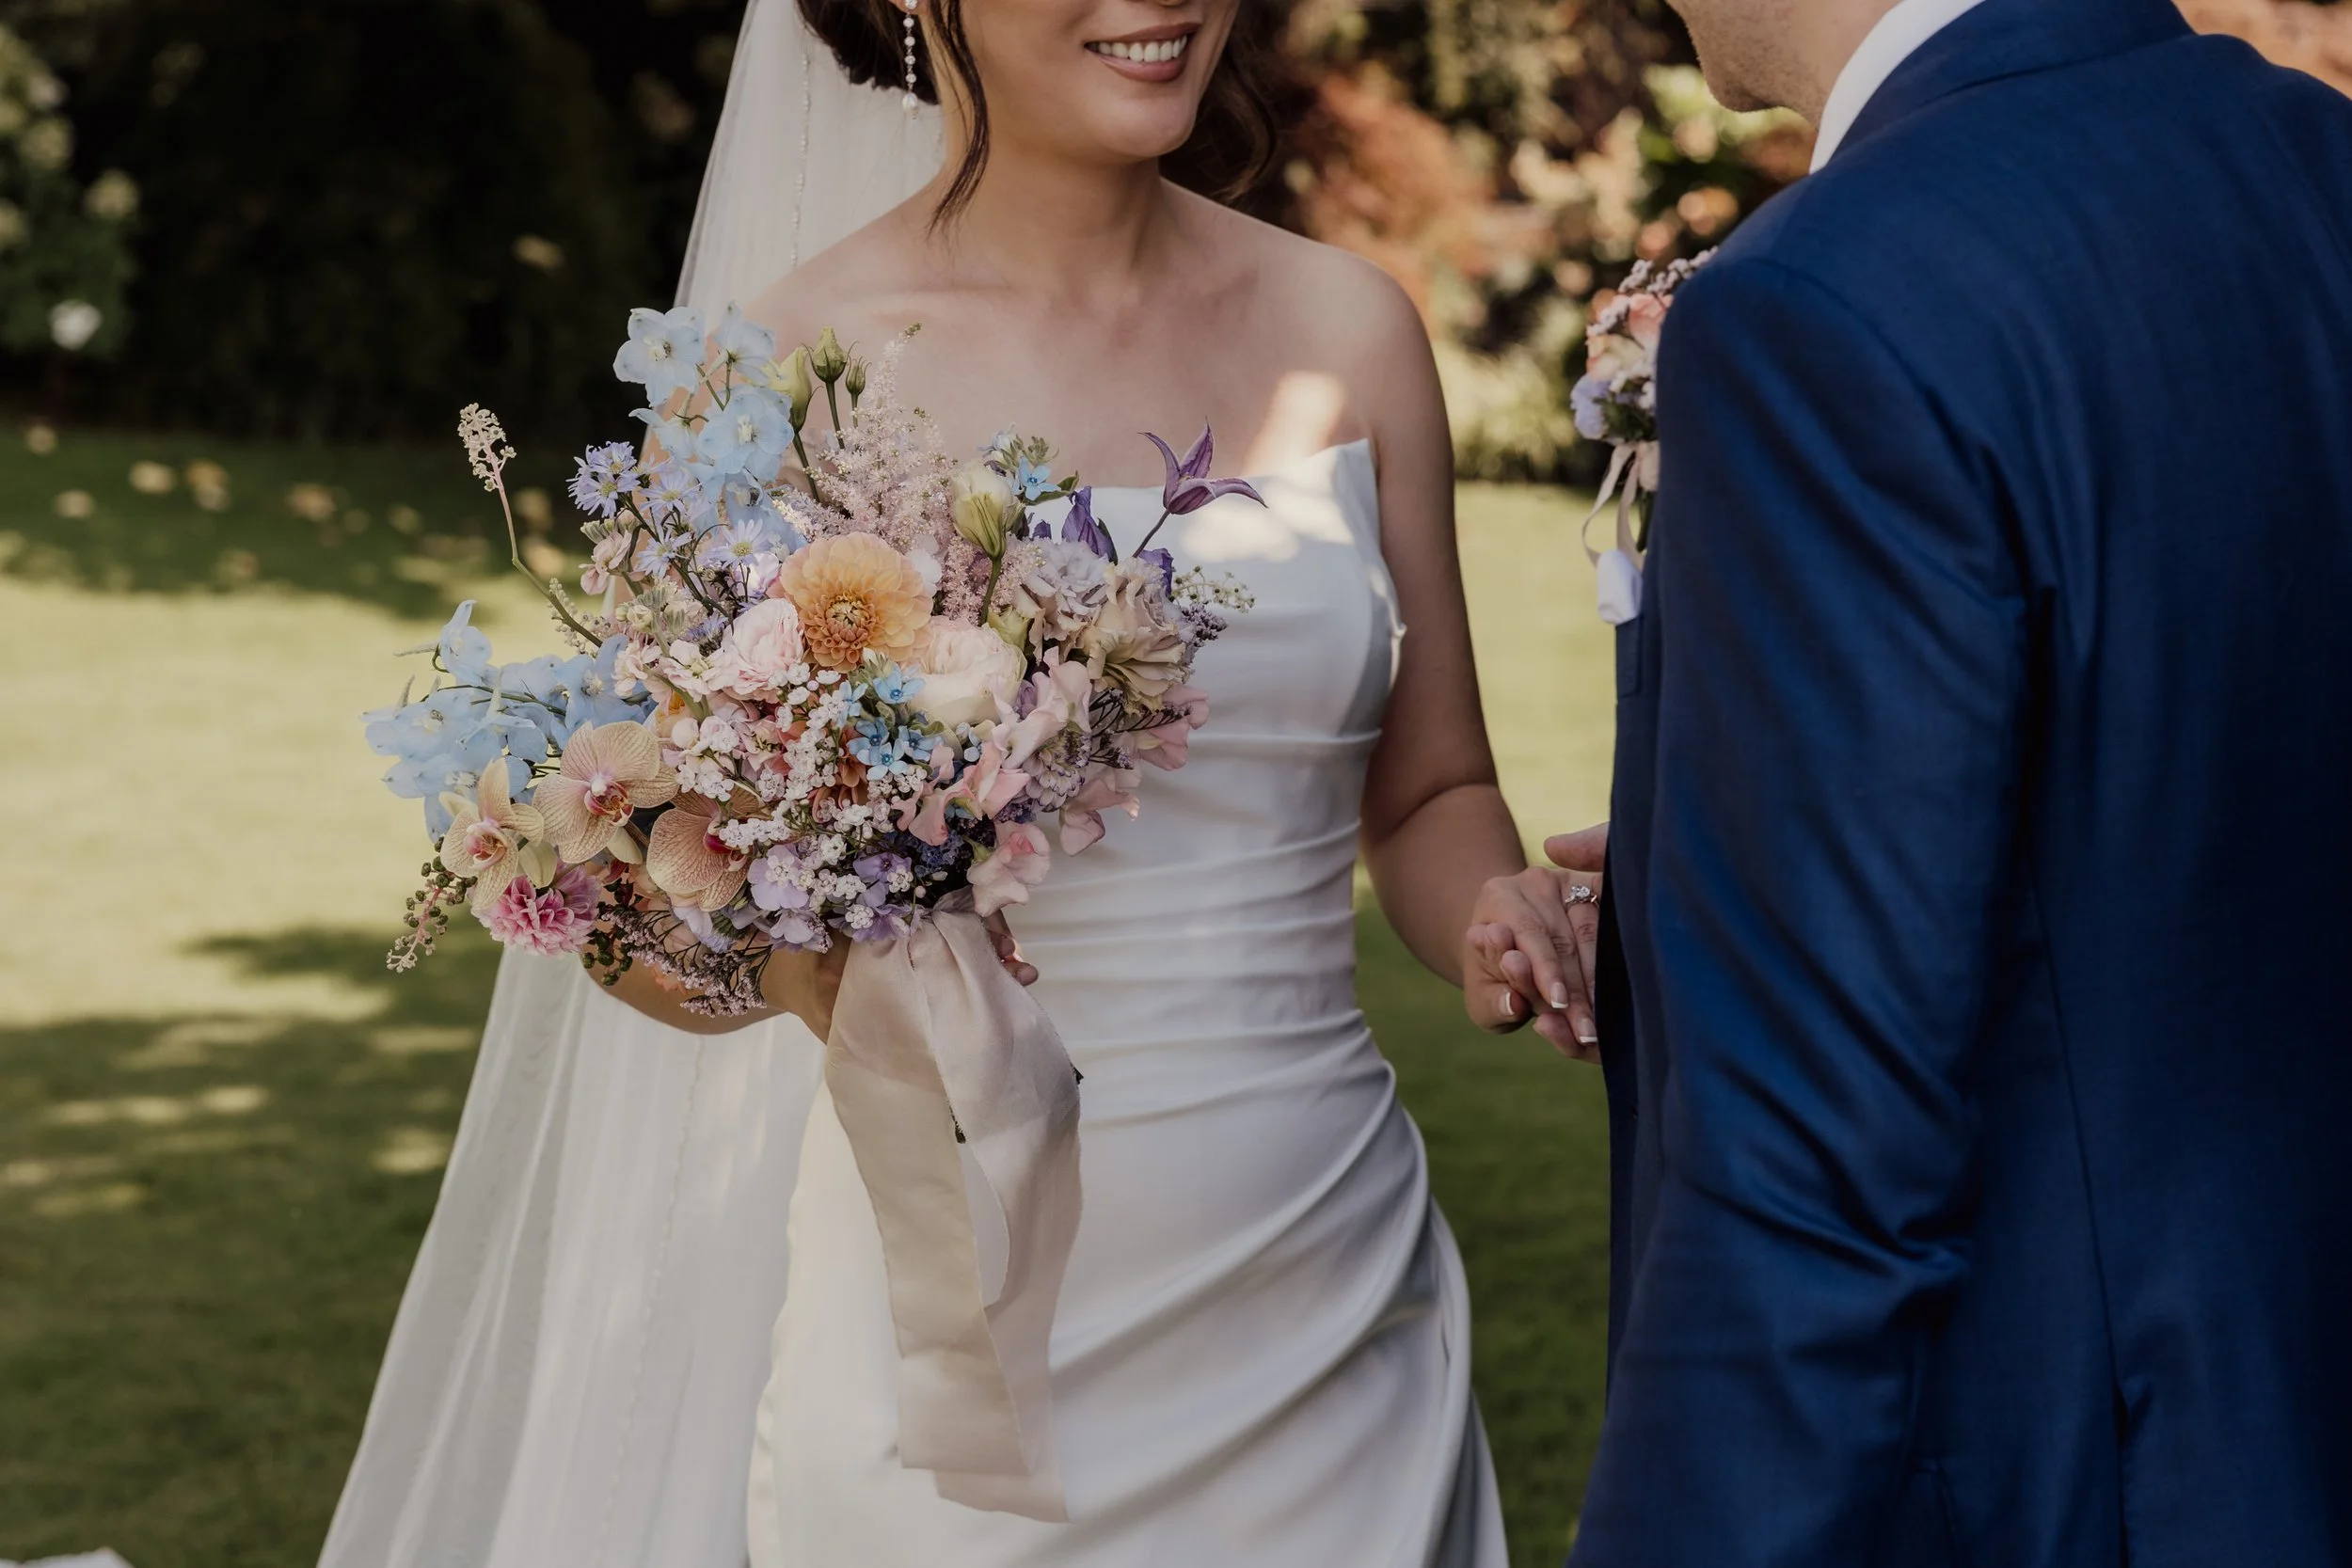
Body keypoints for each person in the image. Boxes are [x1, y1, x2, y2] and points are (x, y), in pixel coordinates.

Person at [325, 1, 1597, 1562]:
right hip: (958, 1339)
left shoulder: (1351, 332)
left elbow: (1428, 793)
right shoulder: (790, 371)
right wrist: (827, 975)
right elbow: (654, 891)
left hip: (1323, 1309)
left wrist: (1499, 911)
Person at [1471, 0, 2352, 1560]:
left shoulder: (1827, 299)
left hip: (2067, 1476)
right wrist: (1727, 840)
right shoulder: (2309, 158)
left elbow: (1807, 1193)